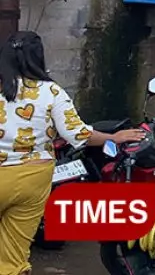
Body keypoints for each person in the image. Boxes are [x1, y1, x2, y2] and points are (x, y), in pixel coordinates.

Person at [0, 31, 145, 275]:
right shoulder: (51, 92)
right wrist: (113, 137)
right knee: (14, 254)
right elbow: (77, 134)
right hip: (33, 179)